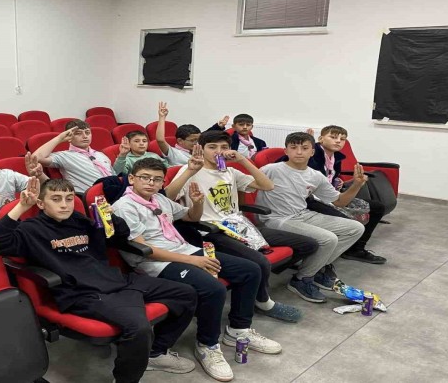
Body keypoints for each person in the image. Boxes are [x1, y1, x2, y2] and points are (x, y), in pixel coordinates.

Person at [0, 178, 198, 383]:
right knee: (138, 328)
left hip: (115, 280)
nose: (64, 205)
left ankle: (155, 353)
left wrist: (110, 217)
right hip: (82, 292)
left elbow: (119, 236)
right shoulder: (30, 229)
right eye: (56, 199)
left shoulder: (80, 220)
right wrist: (22, 207)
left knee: (186, 294)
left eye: (69, 198)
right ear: (41, 203)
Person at [113, 158, 282, 382]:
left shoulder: (159, 199)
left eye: (157, 179)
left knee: (250, 270)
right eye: (145, 177)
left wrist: (197, 203)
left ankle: (238, 330)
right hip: (156, 263)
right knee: (213, 289)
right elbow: (146, 250)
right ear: (132, 179)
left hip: (185, 250)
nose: (151, 183)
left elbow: (191, 217)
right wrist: (192, 260)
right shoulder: (124, 207)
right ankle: (207, 344)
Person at [166, 130, 318, 323]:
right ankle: (263, 301)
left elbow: (267, 185)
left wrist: (242, 160)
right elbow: (167, 197)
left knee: (309, 244)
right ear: (201, 149)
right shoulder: (191, 171)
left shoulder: (229, 171)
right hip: (211, 231)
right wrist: (190, 171)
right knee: (260, 262)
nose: (218, 151)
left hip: (240, 227)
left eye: (223, 147)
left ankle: (261, 282)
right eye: (212, 147)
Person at [255, 132, 367, 303]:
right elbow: (245, 186)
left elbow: (339, 201)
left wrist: (357, 185)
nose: (299, 152)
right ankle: (301, 279)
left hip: (302, 214)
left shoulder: (315, 175)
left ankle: (315, 269)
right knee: (328, 239)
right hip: (277, 219)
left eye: (305, 148)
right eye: (294, 148)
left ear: (312, 152)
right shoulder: (271, 169)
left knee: (356, 228)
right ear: (286, 151)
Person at [309, 125, 387, 264]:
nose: (338, 141)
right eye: (333, 137)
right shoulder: (312, 154)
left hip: (332, 196)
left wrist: (337, 180)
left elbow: (331, 176)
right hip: (314, 200)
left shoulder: (336, 157)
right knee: (348, 219)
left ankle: (356, 249)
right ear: (321, 139)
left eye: (342, 139)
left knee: (377, 207)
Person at [33, 119, 115, 193]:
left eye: (87, 132)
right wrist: (59, 138)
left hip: (115, 191)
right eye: (78, 133)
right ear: (69, 137)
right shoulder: (65, 156)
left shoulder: (101, 155)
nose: (85, 136)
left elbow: (114, 175)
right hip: (91, 197)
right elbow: (36, 158)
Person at [155, 102, 201, 166]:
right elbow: (160, 140)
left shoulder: (200, 151)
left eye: (198, 140)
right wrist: (162, 117)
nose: (196, 143)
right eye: (192, 140)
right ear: (180, 141)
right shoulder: (174, 153)